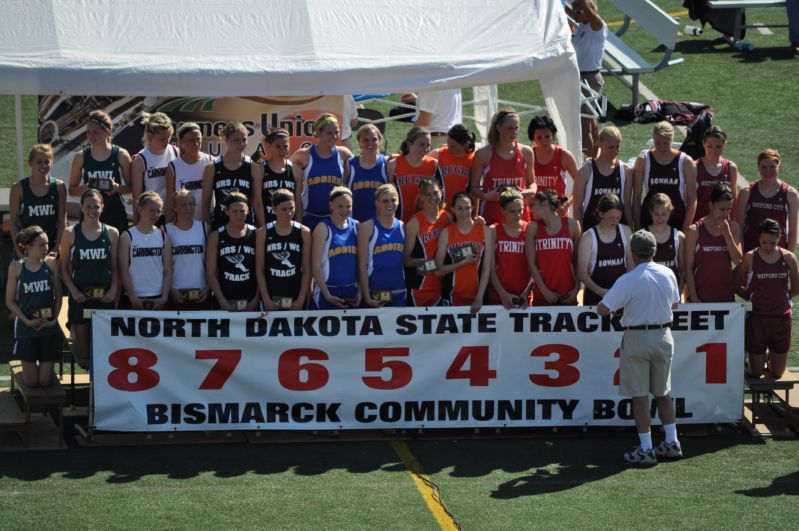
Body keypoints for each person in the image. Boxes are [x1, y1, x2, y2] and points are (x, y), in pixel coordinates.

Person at [598, 229, 682, 465]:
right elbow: (674, 304)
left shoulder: (628, 279)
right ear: (654, 251)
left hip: (637, 338)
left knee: (640, 396)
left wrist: (618, 304)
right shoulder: (668, 273)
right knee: (664, 393)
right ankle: (671, 442)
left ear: (632, 253)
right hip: (664, 335)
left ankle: (646, 448)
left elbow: (602, 309)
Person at [59, 189, 119, 366]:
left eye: (96, 206)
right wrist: (74, 291)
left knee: (105, 350)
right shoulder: (71, 233)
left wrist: (114, 290)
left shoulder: (112, 233)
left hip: (104, 298)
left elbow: (115, 268)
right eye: (88, 207)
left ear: (102, 207)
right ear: (82, 208)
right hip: (81, 298)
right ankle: (75, 330)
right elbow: (63, 269)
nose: (92, 210)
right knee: (84, 354)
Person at [735, 219, 799, 380]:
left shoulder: (789, 258)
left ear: (779, 238)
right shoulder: (750, 257)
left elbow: (797, 287)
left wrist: (783, 298)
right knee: (756, 373)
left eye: (773, 242)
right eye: (764, 242)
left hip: (781, 319)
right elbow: (733, 281)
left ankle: (771, 355)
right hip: (757, 319)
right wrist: (749, 298)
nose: (768, 246)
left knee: (777, 373)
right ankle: (746, 361)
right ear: (758, 238)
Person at [5, 226, 63, 387]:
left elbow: (58, 296)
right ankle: (26, 370)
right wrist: (26, 321)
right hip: (26, 327)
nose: (46, 248)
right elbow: (9, 301)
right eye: (41, 245)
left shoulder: (51, 265)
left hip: (48, 327)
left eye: (47, 244)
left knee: (44, 381)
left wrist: (53, 321)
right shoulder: (16, 267)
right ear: (28, 247)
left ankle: (42, 369)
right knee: (31, 382)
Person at [68, 109, 132, 234]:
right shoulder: (80, 156)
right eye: (88, 132)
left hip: (115, 214)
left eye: (95, 132)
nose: (91, 136)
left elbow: (131, 188)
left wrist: (116, 188)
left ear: (108, 132)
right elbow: (72, 190)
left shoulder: (121, 154)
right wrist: (87, 188)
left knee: (116, 253)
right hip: (89, 215)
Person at [471, 108, 536, 226]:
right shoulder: (484, 154)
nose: (514, 132)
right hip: (492, 218)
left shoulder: (526, 152)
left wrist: (529, 191)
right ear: (498, 128)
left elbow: (533, 183)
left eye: (516, 128)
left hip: (520, 220)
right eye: (510, 128)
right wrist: (487, 196)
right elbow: (473, 188)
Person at [290, 113, 353, 231]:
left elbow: (360, 166)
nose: (334, 136)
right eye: (329, 133)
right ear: (318, 133)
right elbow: (284, 172)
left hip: (335, 218)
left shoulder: (343, 154)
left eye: (337, 132)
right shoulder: (303, 155)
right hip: (309, 217)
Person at [633, 121, 697, 233]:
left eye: (665, 143)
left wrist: (685, 230)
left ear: (672, 139)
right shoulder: (643, 160)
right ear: (653, 138)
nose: (661, 147)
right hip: (649, 220)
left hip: (676, 221)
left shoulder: (685, 161)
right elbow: (636, 197)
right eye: (657, 143)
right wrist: (638, 228)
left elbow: (692, 200)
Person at [435, 192, 494, 313]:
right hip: (451, 298)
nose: (464, 212)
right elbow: (438, 271)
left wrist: (479, 297)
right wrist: (462, 263)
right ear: (453, 210)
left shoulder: (485, 231)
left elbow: (487, 268)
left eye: (467, 208)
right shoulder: (446, 233)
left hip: (477, 299)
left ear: (472, 208)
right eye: (460, 208)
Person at [202, 121, 265, 231]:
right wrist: (207, 230)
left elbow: (258, 202)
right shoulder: (212, 167)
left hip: (246, 227)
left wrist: (263, 228)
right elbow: (206, 203)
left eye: (244, 140)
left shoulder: (253, 167)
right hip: (220, 225)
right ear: (225, 140)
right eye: (236, 140)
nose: (241, 144)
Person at [685, 183, 742, 303]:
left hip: (726, 297)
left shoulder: (733, 227)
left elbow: (738, 261)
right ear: (711, 205)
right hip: (701, 297)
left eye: (729, 210)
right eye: (722, 209)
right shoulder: (694, 230)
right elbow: (688, 268)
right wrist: (694, 297)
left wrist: (727, 234)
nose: (725, 214)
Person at [256, 189, 311, 311]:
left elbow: (306, 269)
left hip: (295, 295)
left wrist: (301, 299)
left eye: (291, 208)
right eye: (284, 209)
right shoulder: (263, 232)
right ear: (274, 209)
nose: (289, 213)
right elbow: (260, 269)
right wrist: (265, 299)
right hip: (271, 296)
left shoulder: (304, 232)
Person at [566, 0, 607, 159]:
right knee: (590, 123)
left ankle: (588, 162)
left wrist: (583, 5)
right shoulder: (583, 25)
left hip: (590, 77)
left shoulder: (597, 26)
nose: (575, 14)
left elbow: (585, 7)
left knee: (584, 124)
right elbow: (565, 7)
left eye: (579, 11)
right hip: (582, 77)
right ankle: (595, 158)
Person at [526, 190, 581, 306]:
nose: (530, 209)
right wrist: (544, 291)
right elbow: (531, 264)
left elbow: (578, 262)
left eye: (533, 205)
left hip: (568, 294)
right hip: (542, 296)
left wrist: (576, 289)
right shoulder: (532, 228)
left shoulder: (573, 225)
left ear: (544, 203)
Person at [737, 148, 798, 253]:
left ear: (779, 167)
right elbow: (739, 228)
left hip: (778, 254)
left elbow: (793, 231)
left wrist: (789, 257)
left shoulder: (790, 194)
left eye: (772, 167)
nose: (768, 171)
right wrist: (743, 256)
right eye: (764, 167)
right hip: (751, 252)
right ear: (758, 167)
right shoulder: (746, 192)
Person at [9, 144, 67, 255]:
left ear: (52, 162)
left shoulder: (59, 187)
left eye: (47, 162)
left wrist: (57, 247)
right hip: (27, 248)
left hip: (50, 248)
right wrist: (19, 251)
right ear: (30, 163)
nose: (43, 165)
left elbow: (62, 222)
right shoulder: (18, 188)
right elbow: (14, 224)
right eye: (39, 162)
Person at [118, 192, 172, 310]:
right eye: (151, 210)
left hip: (157, 297)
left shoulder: (164, 237)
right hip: (134, 297)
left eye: (158, 211)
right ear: (140, 210)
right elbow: (123, 271)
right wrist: (132, 298)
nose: (155, 214)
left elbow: (168, 270)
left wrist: (164, 297)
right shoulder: (127, 236)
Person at [206, 193, 259, 311]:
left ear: (248, 211)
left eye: (242, 211)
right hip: (225, 299)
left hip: (250, 300)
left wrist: (256, 299)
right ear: (226, 212)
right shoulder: (216, 236)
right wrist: (222, 301)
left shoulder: (256, 234)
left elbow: (261, 270)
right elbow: (211, 272)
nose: (239, 215)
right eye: (234, 211)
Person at [573, 126, 633, 231]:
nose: (615, 151)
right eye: (610, 147)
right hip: (592, 231)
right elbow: (577, 208)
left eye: (617, 147)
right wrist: (580, 236)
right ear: (599, 144)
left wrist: (630, 232)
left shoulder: (625, 170)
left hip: (617, 231)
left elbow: (627, 206)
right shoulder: (585, 171)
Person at [577, 193, 632, 306]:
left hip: (621, 297)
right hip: (595, 298)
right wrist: (601, 292)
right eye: (611, 217)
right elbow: (581, 273)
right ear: (601, 214)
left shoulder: (626, 231)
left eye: (618, 217)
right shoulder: (588, 237)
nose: (615, 221)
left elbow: (631, 266)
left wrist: (624, 291)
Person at [310, 187, 360, 309]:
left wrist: (360, 291)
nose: (344, 210)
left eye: (348, 206)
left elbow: (362, 263)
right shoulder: (323, 227)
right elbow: (315, 265)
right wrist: (327, 295)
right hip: (327, 292)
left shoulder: (357, 226)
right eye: (340, 206)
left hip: (351, 292)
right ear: (331, 205)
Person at [403, 178, 451, 307]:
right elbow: (405, 260)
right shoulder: (415, 223)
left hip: (441, 288)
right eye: (427, 194)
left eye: (435, 192)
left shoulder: (447, 217)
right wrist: (424, 264)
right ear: (421, 197)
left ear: (441, 193)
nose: (432, 197)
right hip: (419, 289)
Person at [358, 184, 406, 308]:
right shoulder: (367, 227)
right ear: (377, 203)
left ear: (398, 201)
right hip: (375, 293)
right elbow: (362, 265)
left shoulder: (403, 227)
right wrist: (367, 297)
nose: (390, 204)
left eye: (393, 200)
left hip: (399, 292)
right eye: (385, 201)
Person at [165, 189, 210, 310]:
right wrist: (170, 289)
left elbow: (211, 263)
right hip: (176, 293)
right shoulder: (165, 230)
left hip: (200, 292)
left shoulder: (204, 228)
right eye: (183, 205)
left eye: (191, 204)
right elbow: (162, 265)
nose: (188, 208)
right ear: (174, 207)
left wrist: (208, 288)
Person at [488, 187, 533, 308]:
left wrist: (526, 293)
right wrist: (503, 295)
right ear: (502, 210)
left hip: (523, 298)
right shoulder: (494, 231)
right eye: (512, 211)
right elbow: (490, 269)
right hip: (498, 297)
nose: (518, 215)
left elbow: (535, 268)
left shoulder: (530, 229)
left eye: (520, 210)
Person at [130, 112, 178, 223]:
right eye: (162, 138)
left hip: (173, 213)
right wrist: (137, 223)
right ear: (150, 136)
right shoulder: (140, 159)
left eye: (168, 137)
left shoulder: (176, 152)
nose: (166, 142)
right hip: (151, 215)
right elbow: (137, 195)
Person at [528, 115, 579, 214]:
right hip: (534, 215)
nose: (544, 141)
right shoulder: (528, 155)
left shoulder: (564, 155)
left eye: (547, 136)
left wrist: (567, 204)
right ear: (532, 138)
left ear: (553, 135)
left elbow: (581, 184)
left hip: (557, 215)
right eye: (539, 138)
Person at [388, 126, 438, 224]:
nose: (425, 149)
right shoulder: (393, 165)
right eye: (421, 144)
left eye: (428, 145)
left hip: (423, 221)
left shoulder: (433, 164)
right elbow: (389, 194)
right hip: (399, 220)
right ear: (409, 144)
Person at [165, 122, 213, 223]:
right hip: (183, 225)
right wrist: (168, 225)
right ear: (181, 142)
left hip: (208, 222)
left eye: (198, 139)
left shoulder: (210, 161)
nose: (196, 144)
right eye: (191, 140)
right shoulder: (173, 166)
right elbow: (170, 200)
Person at [693, 126, 738, 223]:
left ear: (724, 145)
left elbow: (734, 200)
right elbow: (688, 200)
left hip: (721, 225)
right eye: (709, 146)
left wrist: (733, 223)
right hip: (699, 224)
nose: (713, 151)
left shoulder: (731, 168)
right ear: (703, 144)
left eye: (718, 147)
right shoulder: (694, 167)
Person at [259, 128, 302, 224]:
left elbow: (298, 203)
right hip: (268, 222)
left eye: (285, 146)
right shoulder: (260, 168)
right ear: (269, 146)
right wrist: (262, 228)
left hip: (289, 225)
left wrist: (298, 227)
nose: (282, 150)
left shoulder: (296, 170)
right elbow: (258, 201)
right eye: (278, 146)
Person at [429, 124, 476, 210]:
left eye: (453, 146)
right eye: (448, 144)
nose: (449, 148)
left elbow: (475, 191)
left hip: (462, 211)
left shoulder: (473, 159)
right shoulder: (438, 154)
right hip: (439, 209)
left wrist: (474, 216)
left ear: (465, 145)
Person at [348, 124, 388, 223]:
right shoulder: (350, 164)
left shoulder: (386, 164)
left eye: (374, 139)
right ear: (359, 143)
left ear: (379, 142)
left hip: (379, 224)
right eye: (365, 140)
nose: (370, 143)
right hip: (355, 223)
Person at [647, 193, 685, 292]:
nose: (660, 218)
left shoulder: (679, 236)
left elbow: (683, 271)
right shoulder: (643, 236)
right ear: (651, 212)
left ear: (670, 212)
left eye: (664, 214)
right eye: (656, 214)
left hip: (671, 293)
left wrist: (678, 294)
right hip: (650, 293)